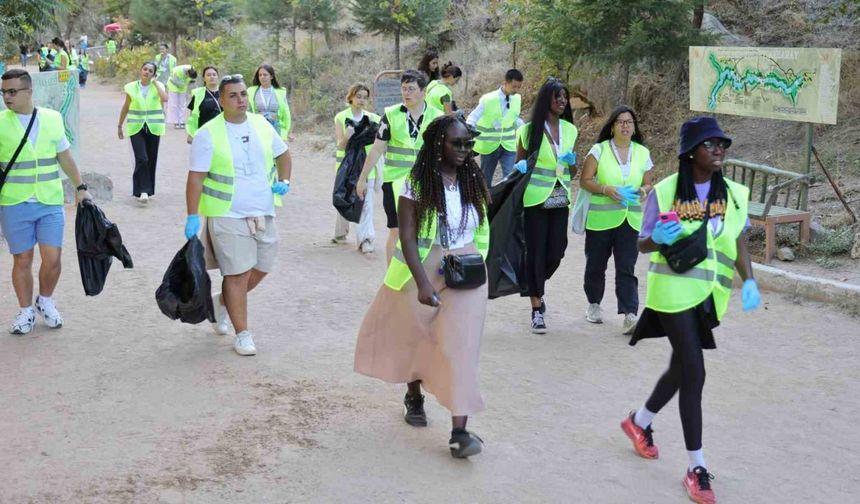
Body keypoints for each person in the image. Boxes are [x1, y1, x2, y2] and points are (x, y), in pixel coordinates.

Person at [619, 116, 760, 504]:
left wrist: (748, 280)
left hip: (707, 297)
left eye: (722, 144)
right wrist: (654, 239)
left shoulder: (732, 194)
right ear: (690, 152)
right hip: (671, 294)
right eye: (709, 144)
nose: (719, 150)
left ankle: (639, 421)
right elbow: (643, 242)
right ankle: (696, 467)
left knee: (681, 367)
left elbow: (739, 240)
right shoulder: (665, 191)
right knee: (695, 371)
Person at [355, 115, 490, 458]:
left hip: (467, 269)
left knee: (462, 348)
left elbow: (484, 225)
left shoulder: (473, 178)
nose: (464, 150)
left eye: (467, 144)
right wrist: (421, 282)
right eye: (456, 143)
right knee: (415, 335)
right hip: (425, 269)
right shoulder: (414, 183)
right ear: (436, 145)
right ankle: (413, 394)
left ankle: (460, 432)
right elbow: (409, 237)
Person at [184, 74, 293, 356]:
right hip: (227, 214)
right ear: (221, 100)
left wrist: (286, 180)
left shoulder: (261, 125)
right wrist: (192, 215)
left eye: (243, 94)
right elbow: (195, 178)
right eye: (233, 95)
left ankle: (222, 303)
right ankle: (242, 333)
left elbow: (284, 155)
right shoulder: (207, 134)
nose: (240, 100)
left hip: (263, 210)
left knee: (262, 267)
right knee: (237, 273)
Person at [0, 69, 94, 335]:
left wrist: (80, 187)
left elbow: (65, 156)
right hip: (14, 202)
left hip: (50, 200)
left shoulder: (52, 119)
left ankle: (46, 301)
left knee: (52, 258)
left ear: (29, 92)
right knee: (23, 258)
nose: (7, 97)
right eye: (4, 92)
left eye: (12, 91)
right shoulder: (0, 122)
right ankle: (25, 311)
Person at [579, 105, 655, 334]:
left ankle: (630, 314)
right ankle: (594, 303)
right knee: (596, 265)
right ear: (612, 126)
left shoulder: (642, 153)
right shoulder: (599, 150)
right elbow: (585, 180)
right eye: (620, 122)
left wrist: (642, 192)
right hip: (600, 221)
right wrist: (605, 189)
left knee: (626, 267)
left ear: (634, 127)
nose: (625, 125)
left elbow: (648, 184)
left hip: (629, 220)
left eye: (629, 122)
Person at [355, 70, 444, 264]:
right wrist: (362, 179)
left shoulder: (438, 118)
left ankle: (421, 279)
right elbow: (377, 150)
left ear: (424, 91)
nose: (406, 93)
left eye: (411, 89)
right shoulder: (390, 115)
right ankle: (390, 280)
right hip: (395, 182)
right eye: (403, 89)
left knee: (425, 231)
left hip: (426, 182)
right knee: (396, 230)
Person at [513, 78, 578, 334]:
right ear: (546, 100)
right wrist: (520, 167)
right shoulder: (528, 130)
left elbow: (572, 169)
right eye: (557, 97)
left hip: (560, 196)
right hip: (535, 198)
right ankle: (536, 306)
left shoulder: (570, 130)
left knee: (557, 251)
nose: (562, 101)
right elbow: (519, 165)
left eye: (565, 97)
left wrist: (572, 162)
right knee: (536, 252)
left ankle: (534, 282)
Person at [332, 83, 380, 253]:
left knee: (365, 203)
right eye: (358, 96)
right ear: (351, 97)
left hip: (366, 166)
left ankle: (365, 239)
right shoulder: (341, 117)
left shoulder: (373, 118)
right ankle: (340, 233)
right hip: (346, 166)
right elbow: (340, 146)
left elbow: (378, 144)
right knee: (344, 198)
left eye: (365, 97)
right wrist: (347, 136)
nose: (361, 100)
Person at [117, 62, 167, 203]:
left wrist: (156, 83)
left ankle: (147, 190)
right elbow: (126, 106)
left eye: (150, 71)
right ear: (140, 70)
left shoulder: (158, 86)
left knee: (151, 159)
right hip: (136, 126)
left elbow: (165, 98)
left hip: (154, 126)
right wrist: (119, 125)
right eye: (145, 69)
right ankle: (142, 190)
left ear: (153, 74)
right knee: (142, 158)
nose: (147, 72)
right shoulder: (131, 87)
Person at [467, 68, 524, 185]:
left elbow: (513, 118)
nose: (516, 90)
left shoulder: (517, 99)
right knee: (485, 179)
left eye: (519, 87)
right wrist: (469, 128)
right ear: (505, 83)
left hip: (509, 145)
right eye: (514, 86)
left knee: (511, 177)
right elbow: (474, 116)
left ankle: (505, 202)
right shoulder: (488, 99)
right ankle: (485, 202)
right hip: (489, 146)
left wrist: (524, 127)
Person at [247, 64, 292, 141]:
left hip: (276, 126)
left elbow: (286, 113)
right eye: (260, 75)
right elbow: (248, 111)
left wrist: (288, 130)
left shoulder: (280, 92)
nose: (262, 77)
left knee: (277, 151)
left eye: (265, 75)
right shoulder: (251, 91)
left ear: (271, 76)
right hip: (259, 127)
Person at [186, 66, 221, 142]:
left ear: (218, 77)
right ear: (204, 78)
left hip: (222, 132)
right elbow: (193, 117)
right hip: (204, 133)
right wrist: (191, 134)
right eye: (208, 75)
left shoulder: (225, 92)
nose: (212, 77)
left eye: (214, 75)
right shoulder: (198, 94)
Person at [166, 64, 197, 129]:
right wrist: (187, 83)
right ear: (188, 73)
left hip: (183, 87)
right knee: (174, 104)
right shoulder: (177, 71)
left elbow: (190, 82)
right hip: (173, 86)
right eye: (190, 77)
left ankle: (182, 121)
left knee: (182, 104)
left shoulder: (192, 69)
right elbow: (175, 82)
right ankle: (176, 122)